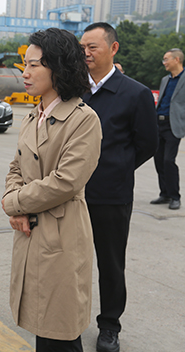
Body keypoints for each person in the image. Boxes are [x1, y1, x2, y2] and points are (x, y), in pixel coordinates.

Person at [2, 28, 102, 352]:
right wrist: (16, 202)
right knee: (41, 326)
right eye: (25, 65)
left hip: (61, 231)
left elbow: (66, 181)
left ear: (58, 68)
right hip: (30, 230)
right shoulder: (33, 115)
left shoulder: (83, 119)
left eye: (34, 65)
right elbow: (16, 167)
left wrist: (15, 204)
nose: (25, 73)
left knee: (61, 330)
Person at [80, 22, 158, 352]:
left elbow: (148, 144)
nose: (85, 53)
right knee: (70, 262)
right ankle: (68, 320)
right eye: (82, 47)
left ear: (113, 49)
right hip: (70, 194)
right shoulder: (73, 89)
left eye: (92, 47)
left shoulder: (135, 93)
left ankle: (109, 325)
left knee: (111, 264)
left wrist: (119, 168)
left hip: (111, 195)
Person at [151, 48, 185, 210]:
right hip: (159, 123)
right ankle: (164, 193)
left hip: (174, 125)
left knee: (168, 161)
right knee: (158, 160)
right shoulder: (165, 79)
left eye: (166, 59)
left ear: (177, 60)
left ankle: (175, 196)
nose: (164, 62)